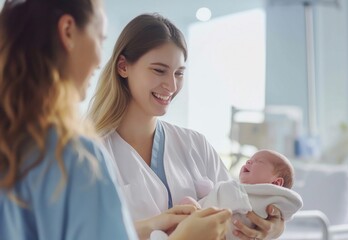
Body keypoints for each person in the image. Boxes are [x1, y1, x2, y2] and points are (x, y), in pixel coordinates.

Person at [0, 1, 230, 239]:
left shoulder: (19, 146)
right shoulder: (77, 156)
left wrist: (148, 226)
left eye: (179, 73)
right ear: (68, 31)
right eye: (100, 38)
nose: (100, 59)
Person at [88, 13, 285, 239]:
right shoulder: (91, 155)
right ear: (123, 66)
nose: (171, 85)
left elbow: (243, 210)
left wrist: (273, 226)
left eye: (179, 73)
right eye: (159, 70)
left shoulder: (196, 145)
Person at [174, 150, 303, 240]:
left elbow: (229, 198)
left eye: (259, 161)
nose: (248, 162)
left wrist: (277, 229)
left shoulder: (267, 197)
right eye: (249, 160)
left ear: (276, 182)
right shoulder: (240, 189)